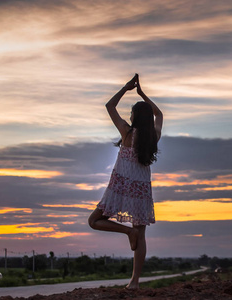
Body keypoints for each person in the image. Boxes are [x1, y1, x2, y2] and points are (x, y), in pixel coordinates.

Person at [88, 74, 163, 289]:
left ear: (134, 117)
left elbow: (110, 105)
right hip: (140, 191)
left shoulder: (127, 132)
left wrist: (127, 88)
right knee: (141, 234)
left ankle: (127, 232)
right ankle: (134, 282)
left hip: (120, 188)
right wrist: (143, 95)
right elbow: (159, 114)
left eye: (131, 113)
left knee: (94, 221)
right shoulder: (154, 136)